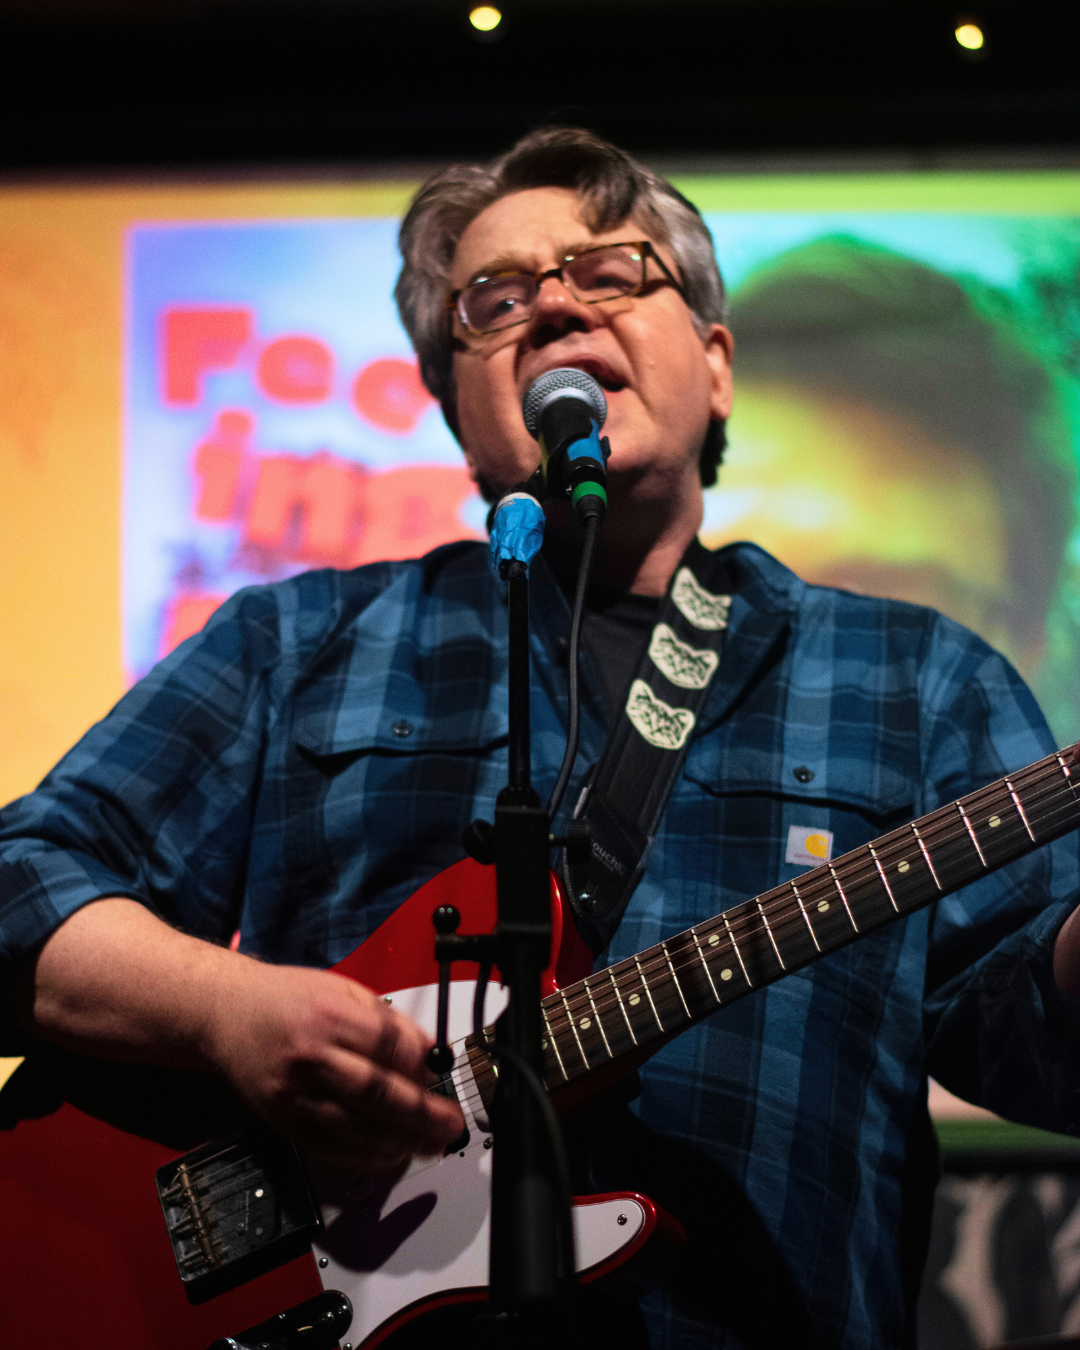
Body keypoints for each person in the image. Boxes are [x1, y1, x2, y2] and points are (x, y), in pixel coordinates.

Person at [3, 126, 1080, 1350]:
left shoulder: (920, 679)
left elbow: (1045, 1044)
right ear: (457, 410)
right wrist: (231, 1015)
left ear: (716, 366)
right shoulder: (297, 643)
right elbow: (18, 885)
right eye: (495, 298)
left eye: (613, 272)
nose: (559, 307)